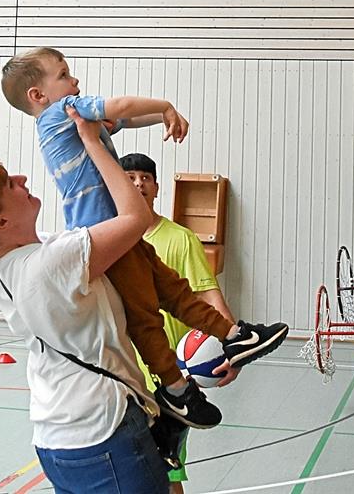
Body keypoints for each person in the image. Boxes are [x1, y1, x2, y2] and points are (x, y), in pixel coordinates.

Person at [0, 47, 288, 428]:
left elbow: (121, 118)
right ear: (38, 95)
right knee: (144, 316)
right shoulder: (60, 114)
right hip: (106, 229)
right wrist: (165, 104)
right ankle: (174, 388)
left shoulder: (74, 120)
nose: (75, 81)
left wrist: (163, 117)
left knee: (174, 288)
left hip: (122, 226)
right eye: (65, 74)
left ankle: (234, 335)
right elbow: (119, 103)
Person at [0, 108, 200, 493]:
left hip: (55, 435)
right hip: (103, 430)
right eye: (10, 183)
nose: (22, 178)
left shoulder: (8, 266)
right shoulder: (54, 262)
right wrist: (91, 142)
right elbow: (135, 217)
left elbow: (82, 225)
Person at [121, 152, 239, 494]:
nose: (138, 183)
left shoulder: (180, 239)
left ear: (157, 187)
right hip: (121, 380)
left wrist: (232, 348)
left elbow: (209, 297)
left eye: (145, 177)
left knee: (166, 473)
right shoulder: (108, 240)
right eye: (129, 178)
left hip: (169, 384)